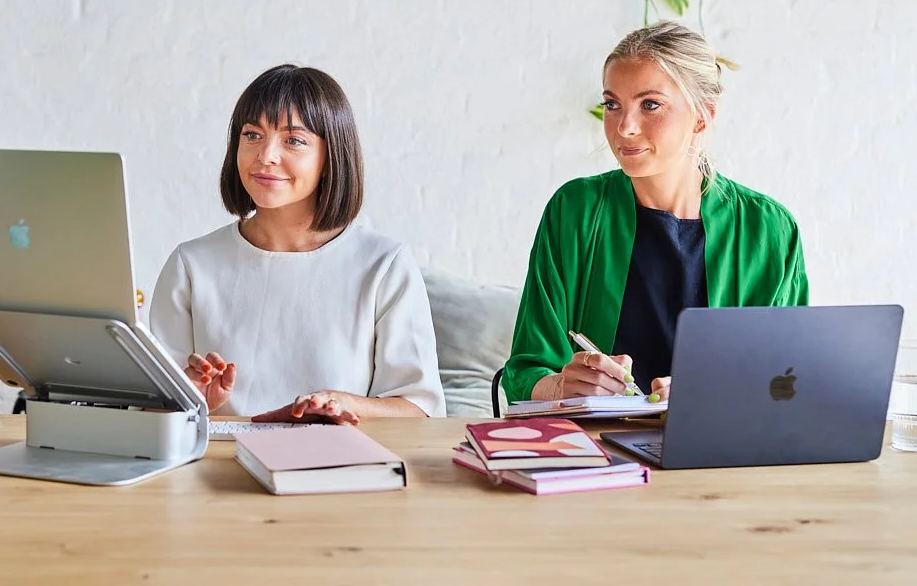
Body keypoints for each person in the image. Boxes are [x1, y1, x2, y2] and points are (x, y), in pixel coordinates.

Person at [501, 22, 808, 404]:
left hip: (717, 440)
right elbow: (523, 372)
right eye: (612, 104)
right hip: (593, 441)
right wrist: (561, 386)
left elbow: (787, 383)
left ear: (702, 116)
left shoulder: (768, 230)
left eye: (650, 105)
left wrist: (716, 395)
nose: (624, 127)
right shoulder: (574, 211)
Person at [149, 64, 445, 423]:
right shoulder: (190, 264)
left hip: (337, 456)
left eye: (293, 140)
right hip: (217, 457)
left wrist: (341, 403)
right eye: (252, 135)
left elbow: (419, 410)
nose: (265, 155)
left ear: (331, 156)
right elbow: (150, 411)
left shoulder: (384, 265)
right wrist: (189, 402)